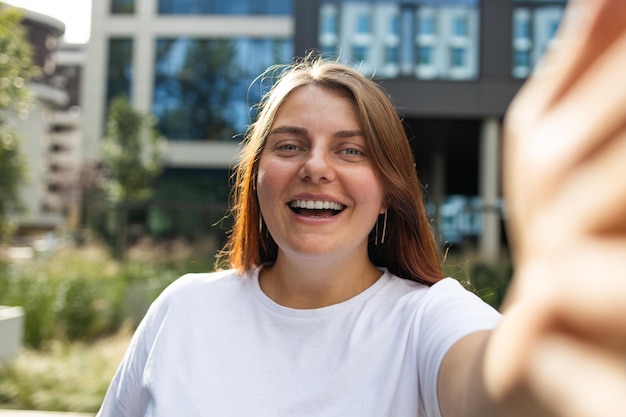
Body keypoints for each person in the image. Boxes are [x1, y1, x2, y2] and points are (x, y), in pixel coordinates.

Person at [97, 0, 626, 416]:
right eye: (288, 145)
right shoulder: (183, 309)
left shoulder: (428, 318)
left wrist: (548, 331)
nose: (316, 167)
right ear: (255, 179)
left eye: (351, 150)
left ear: (388, 195)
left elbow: (491, 386)